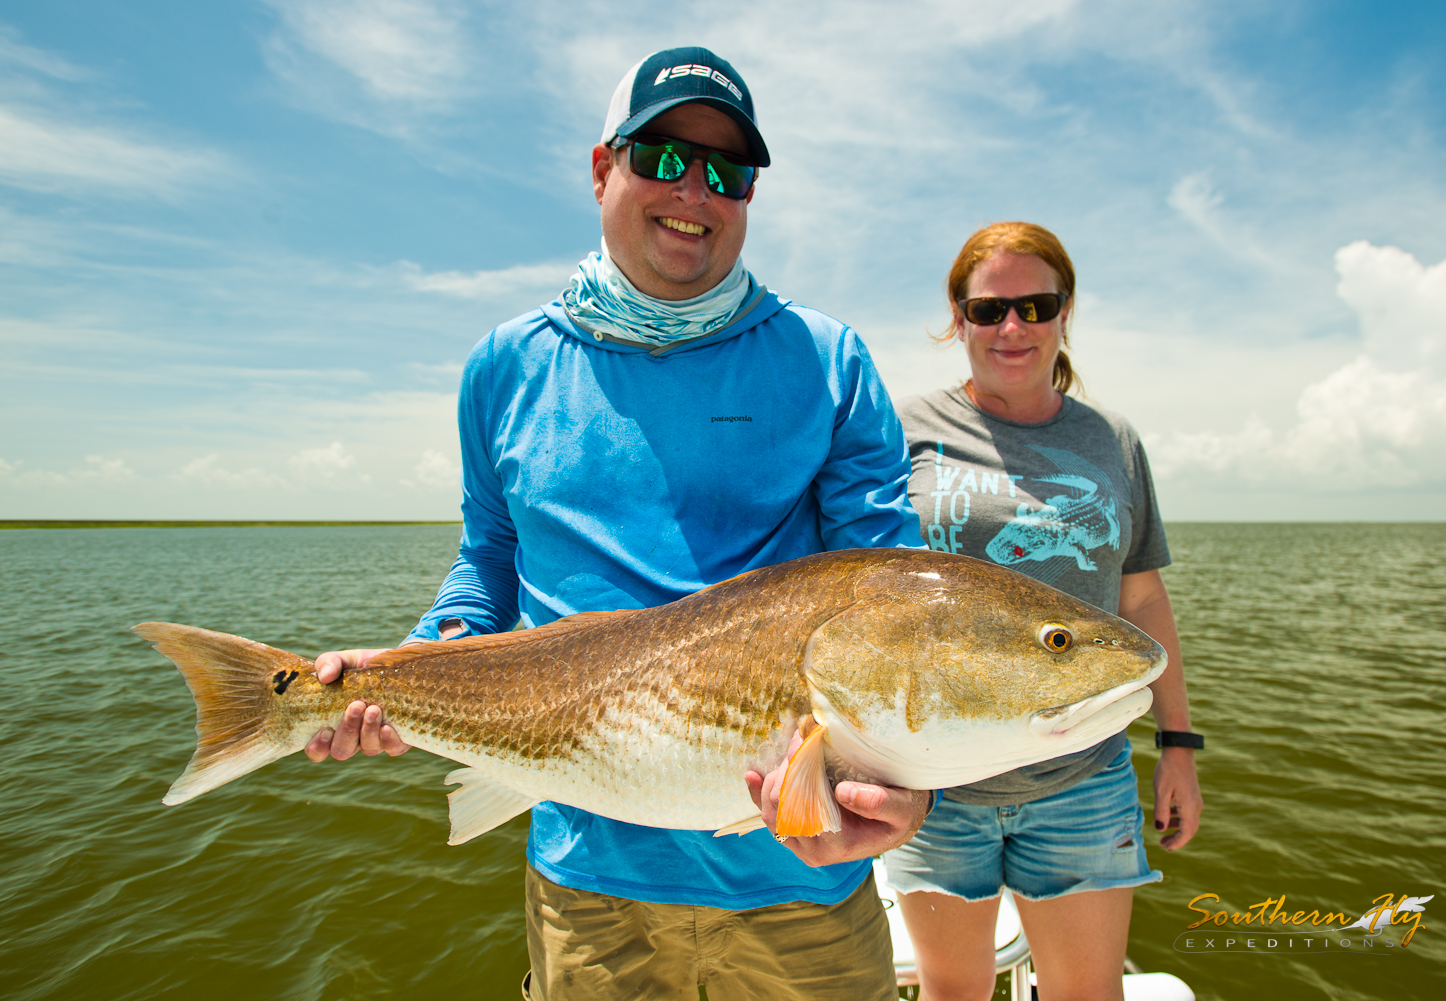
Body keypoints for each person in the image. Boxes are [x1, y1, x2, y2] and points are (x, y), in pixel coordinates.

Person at [299, 47, 931, 1001]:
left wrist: (908, 779)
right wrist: (420, 661)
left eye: (728, 171)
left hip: (801, 872)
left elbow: (886, 601)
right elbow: (490, 560)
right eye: (663, 155)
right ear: (603, 167)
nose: (696, 189)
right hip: (587, 882)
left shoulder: (827, 358)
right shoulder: (506, 366)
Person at [883, 221, 1204, 1001]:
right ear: (957, 319)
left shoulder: (1111, 439)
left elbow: (1140, 596)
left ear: (1066, 313)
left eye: (1037, 304)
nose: (1013, 327)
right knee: (952, 990)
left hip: (1083, 778)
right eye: (989, 310)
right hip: (936, 783)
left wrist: (1179, 743)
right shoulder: (901, 430)